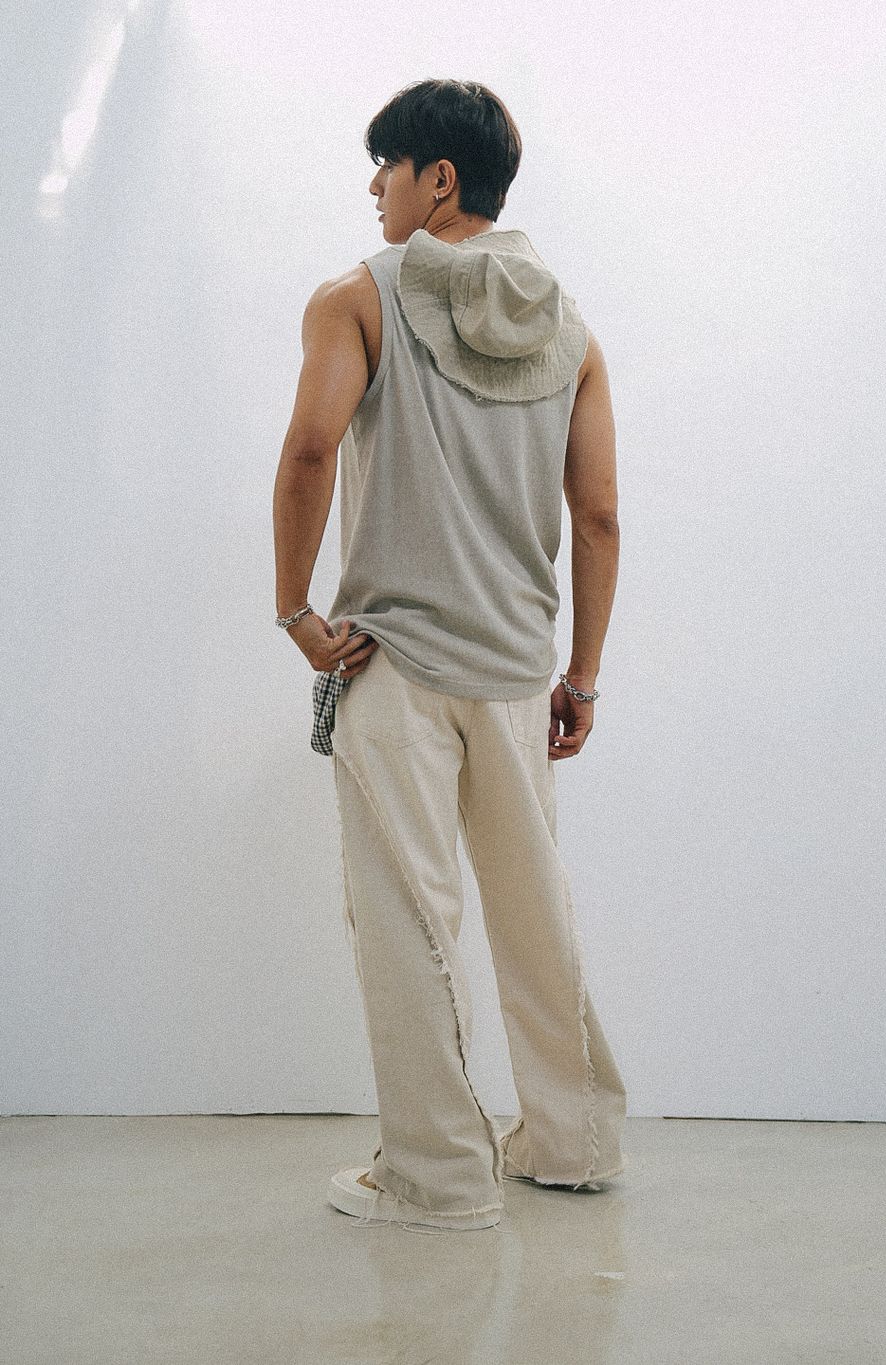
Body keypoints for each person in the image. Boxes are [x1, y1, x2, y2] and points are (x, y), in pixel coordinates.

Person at [272, 79, 626, 1232]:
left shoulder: (357, 298)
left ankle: (436, 1179)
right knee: (534, 911)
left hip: (395, 665)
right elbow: (597, 517)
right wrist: (581, 677)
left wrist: (295, 613)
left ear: (440, 180)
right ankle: (572, 1145)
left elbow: (311, 447)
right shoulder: (572, 330)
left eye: (387, 165)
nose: (374, 187)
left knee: (408, 920)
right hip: (520, 674)